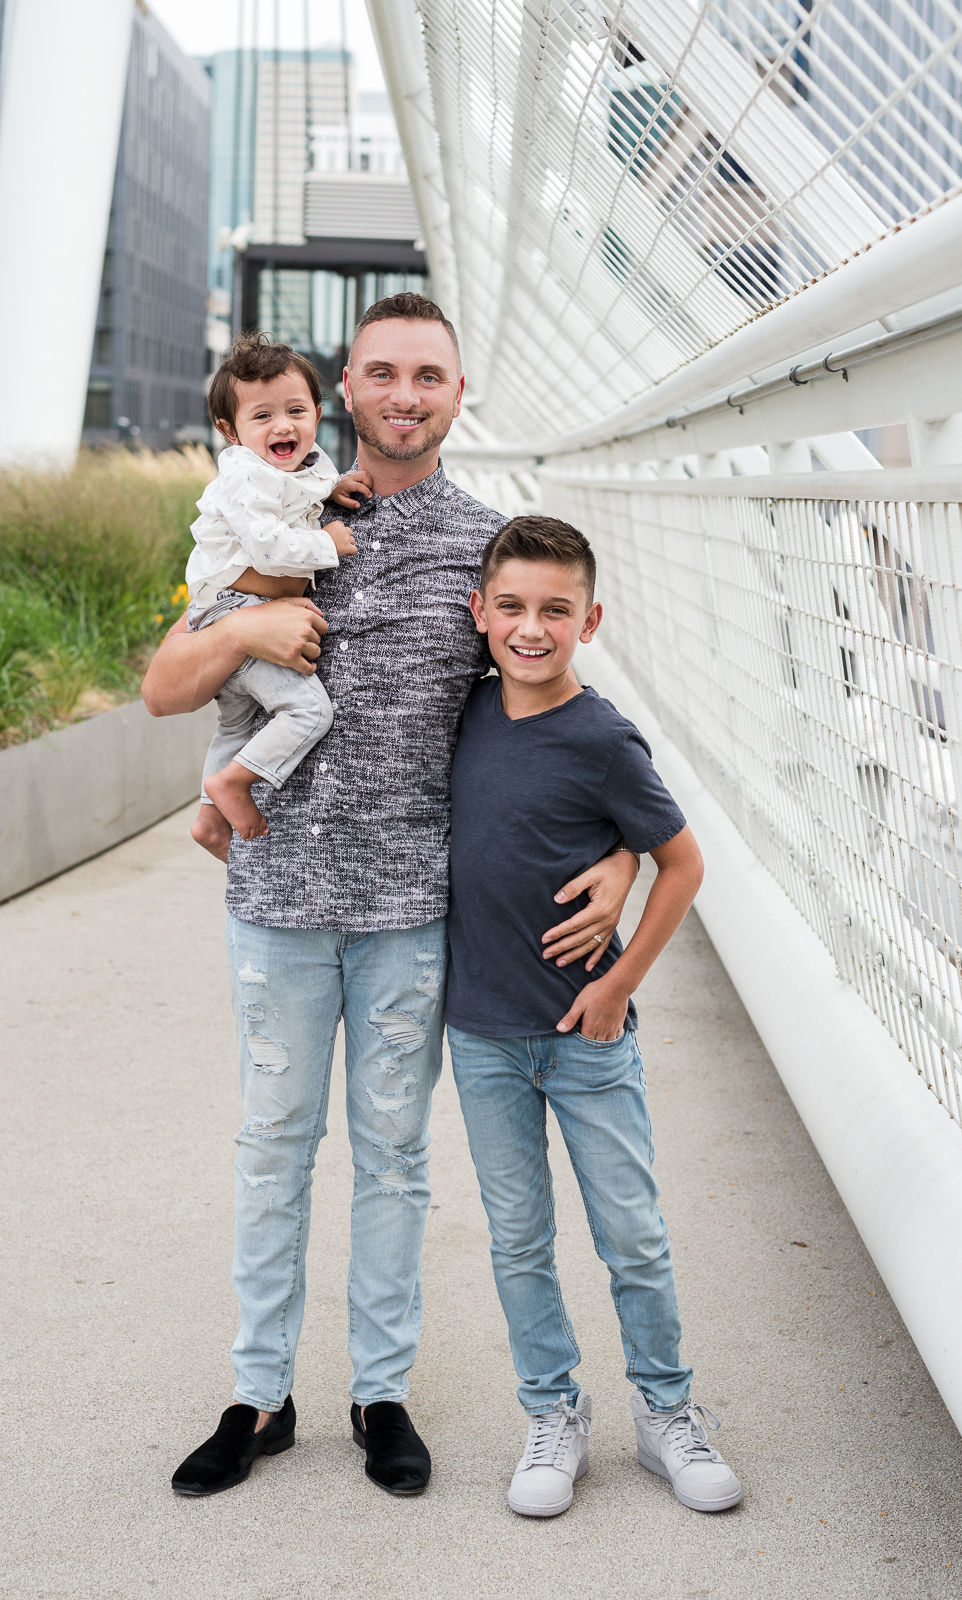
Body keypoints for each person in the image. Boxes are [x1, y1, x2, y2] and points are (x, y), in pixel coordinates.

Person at [141, 294, 638, 1501]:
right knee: (273, 1151)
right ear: (342, 392)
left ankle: (380, 1391)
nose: (405, 394)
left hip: (416, 907)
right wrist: (252, 615)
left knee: (395, 1157)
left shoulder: (488, 549)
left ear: (458, 394)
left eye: (430, 375)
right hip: (277, 901)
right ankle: (259, 1394)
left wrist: (626, 849)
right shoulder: (275, 515)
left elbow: (557, 713)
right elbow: (164, 684)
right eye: (382, 373)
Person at [446, 514, 743, 1518]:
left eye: (556, 611)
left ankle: (667, 1411)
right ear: (480, 612)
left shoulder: (604, 736)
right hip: (482, 1033)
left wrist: (619, 986)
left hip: (588, 1036)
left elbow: (683, 860)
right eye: (515, 607)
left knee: (632, 1233)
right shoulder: (463, 712)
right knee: (518, 1235)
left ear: (591, 619)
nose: (533, 628)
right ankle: (551, 1410)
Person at [186, 333, 372, 856]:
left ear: (317, 411)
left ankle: (207, 816)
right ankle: (234, 784)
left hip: (229, 606)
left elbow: (305, 479)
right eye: (262, 416)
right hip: (234, 609)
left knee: (238, 720)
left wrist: (330, 489)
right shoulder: (246, 475)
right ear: (230, 431)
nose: (283, 426)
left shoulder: (298, 464)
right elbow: (267, 550)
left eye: (295, 410)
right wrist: (326, 543)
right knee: (308, 711)